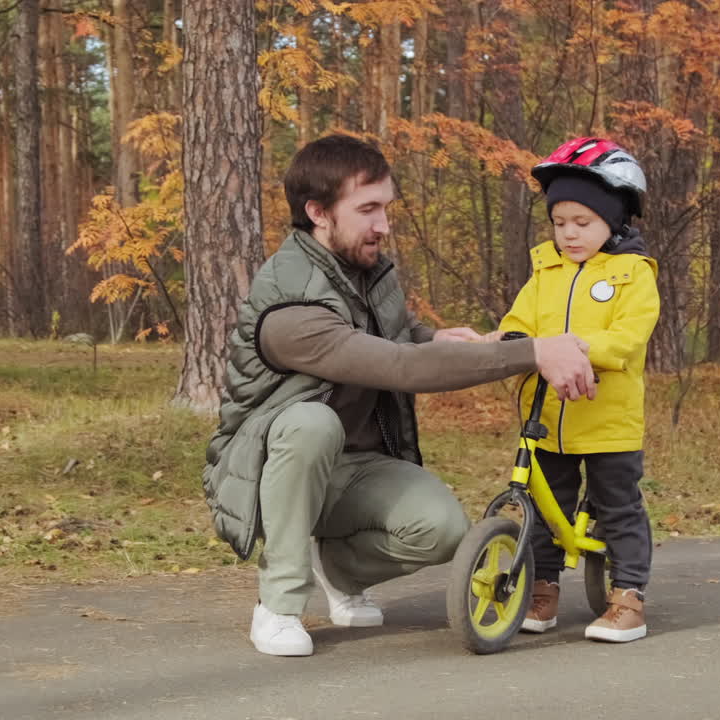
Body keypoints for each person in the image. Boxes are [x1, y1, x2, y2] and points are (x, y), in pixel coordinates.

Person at [201, 134, 598, 657]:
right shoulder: (290, 307)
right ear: (318, 212)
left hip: (355, 465)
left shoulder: (363, 269)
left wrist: (438, 338)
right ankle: (279, 604)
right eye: (367, 209)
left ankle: (338, 569)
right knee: (310, 425)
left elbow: (399, 335)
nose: (383, 225)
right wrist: (535, 353)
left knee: (444, 530)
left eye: (385, 208)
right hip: (273, 468)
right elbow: (395, 366)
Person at [489, 137, 660, 643]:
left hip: (608, 419)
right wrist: (508, 342)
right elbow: (518, 322)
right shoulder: (546, 270)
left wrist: (572, 348)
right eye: (560, 222)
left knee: (618, 505)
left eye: (582, 223)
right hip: (546, 418)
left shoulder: (633, 274)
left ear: (615, 220)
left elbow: (628, 337)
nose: (568, 234)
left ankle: (629, 596)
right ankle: (542, 589)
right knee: (543, 508)